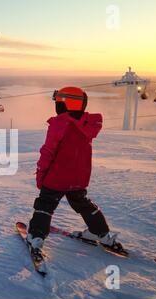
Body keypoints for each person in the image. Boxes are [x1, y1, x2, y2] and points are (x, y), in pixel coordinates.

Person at [27, 87, 124, 259]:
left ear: (64, 104)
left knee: (45, 204)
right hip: (79, 177)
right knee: (82, 203)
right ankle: (102, 234)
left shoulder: (60, 124)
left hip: (57, 176)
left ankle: (36, 237)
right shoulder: (87, 124)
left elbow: (48, 152)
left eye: (58, 102)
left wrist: (41, 173)